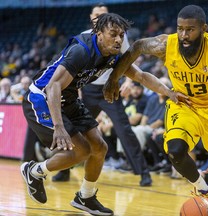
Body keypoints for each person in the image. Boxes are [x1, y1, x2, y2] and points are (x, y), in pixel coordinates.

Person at [102, 5, 208, 216]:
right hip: (184, 104)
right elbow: (138, 46)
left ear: (203, 28)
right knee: (175, 150)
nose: (184, 35)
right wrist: (114, 78)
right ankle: (204, 188)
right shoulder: (167, 45)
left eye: (190, 29)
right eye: (180, 28)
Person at [20, 13, 188, 216]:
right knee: (81, 151)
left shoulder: (115, 55)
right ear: (99, 33)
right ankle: (34, 171)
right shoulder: (81, 51)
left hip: (69, 98)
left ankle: (86, 196)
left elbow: (141, 76)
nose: (119, 39)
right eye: (113, 34)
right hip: (42, 98)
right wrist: (59, 126)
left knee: (100, 147)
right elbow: (53, 85)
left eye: (122, 35)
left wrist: (169, 93)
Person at [53, 3, 154, 186]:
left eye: (103, 14)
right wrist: (77, 92)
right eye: (96, 14)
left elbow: (128, 61)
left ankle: (143, 172)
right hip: (88, 90)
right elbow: (74, 72)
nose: (99, 17)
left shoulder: (118, 35)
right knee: (77, 131)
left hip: (109, 90)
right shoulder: (85, 39)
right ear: (91, 17)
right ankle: (64, 170)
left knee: (125, 131)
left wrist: (129, 82)